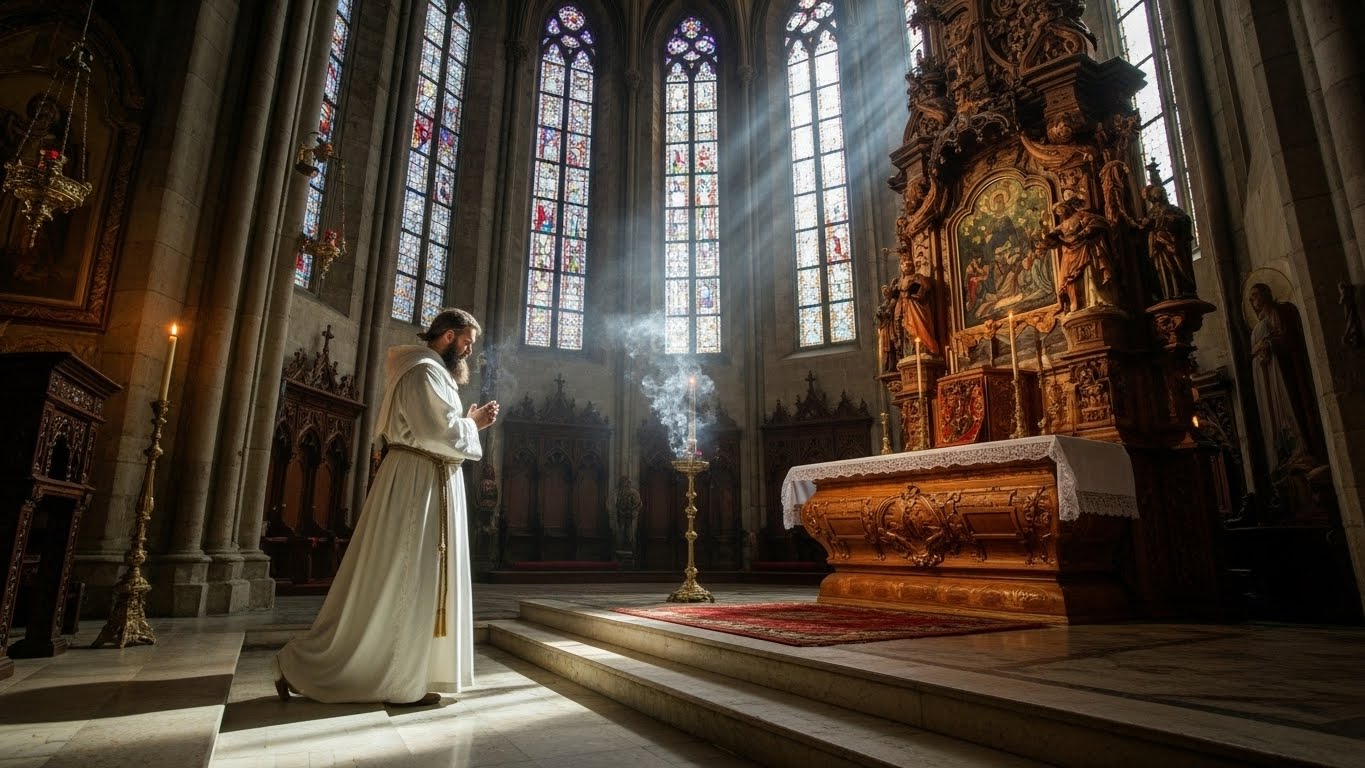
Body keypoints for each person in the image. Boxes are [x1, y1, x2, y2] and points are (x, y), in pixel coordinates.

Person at [273, 308, 499, 706]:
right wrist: (473, 424)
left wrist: (464, 421)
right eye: (466, 341)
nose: (468, 350)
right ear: (447, 336)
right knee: (406, 575)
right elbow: (436, 432)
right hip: (417, 482)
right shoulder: (424, 371)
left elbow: (438, 428)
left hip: (428, 477)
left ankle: (414, 675)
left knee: (418, 578)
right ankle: (350, 672)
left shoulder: (431, 372)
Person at [1040, 198, 1118, 313]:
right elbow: (1052, 240)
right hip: (1068, 253)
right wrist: (1046, 241)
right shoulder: (1061, 226)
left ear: (1065, 207)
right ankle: (1075, 305)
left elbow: (1099, 221)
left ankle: (1094, 300)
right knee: (1066, 279)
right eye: (1057, 212)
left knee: (1087, 273)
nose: (1059, 213)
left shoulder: (1079, 215)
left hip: (1082, 247)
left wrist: (1083, 233)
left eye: (1060, 209)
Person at [1138, 183, 1197, 301]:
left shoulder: (1174, 210)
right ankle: (1166, 293)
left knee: (1178, 266)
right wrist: (1145, 224)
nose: (1160, 198)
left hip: (1174, 246)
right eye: (1156, 196)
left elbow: (1185, 221)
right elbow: (1148, 228)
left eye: (1162, 194)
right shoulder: (1152, 213)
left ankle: (1182, 290)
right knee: (1161, 271)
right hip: (1158, 248)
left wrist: (1167, 221)